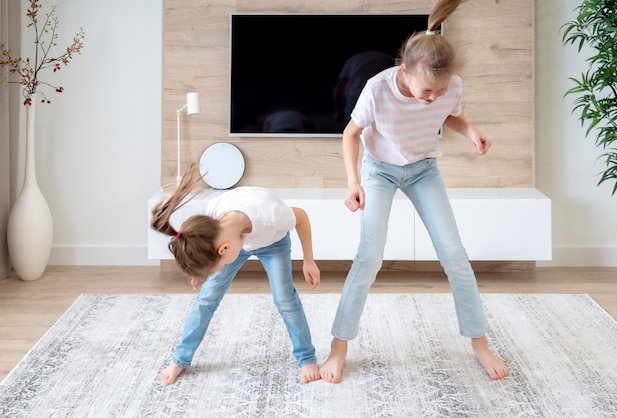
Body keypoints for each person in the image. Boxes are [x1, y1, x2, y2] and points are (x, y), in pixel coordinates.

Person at [319, 0, 509, 384]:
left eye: (438, 92)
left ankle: (480, 344)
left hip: (423, 170)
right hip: (379, 171)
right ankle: (338, 348)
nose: (431, 99)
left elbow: (449, 113)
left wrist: (470, 130)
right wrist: (353, 181)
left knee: (454, 254)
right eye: (425, 91)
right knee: (369, 257)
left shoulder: (448, 86)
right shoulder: (377, 89)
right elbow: (351, 134)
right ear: (404, 71)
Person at [151, 162, 322, 385]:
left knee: (285, 299)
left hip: (272, 240)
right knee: (206, 298)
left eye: (216, 266)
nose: (216, 271)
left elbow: (301, 217)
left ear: (223, 250)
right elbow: (197, 244)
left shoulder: (271, 215)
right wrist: (199, 268)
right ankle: (180, 359)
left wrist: (308, 260)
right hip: (238, 240)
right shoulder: (212, 216)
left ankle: (306, 358)